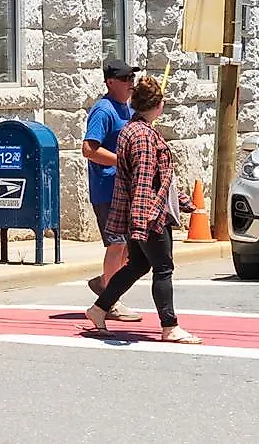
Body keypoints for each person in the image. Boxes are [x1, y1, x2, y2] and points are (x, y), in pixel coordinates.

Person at [84, 76, 202, 344]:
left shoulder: (131, 129)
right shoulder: (144, 136)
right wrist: (144, 220)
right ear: (158, 105)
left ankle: (99, 308)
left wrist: (181, 200)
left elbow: (157, 178)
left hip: (136, 212)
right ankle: (169, 326)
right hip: (148, 215)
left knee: (138, 264)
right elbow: (143, 181)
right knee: (163, 267)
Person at [82, 61, 141, 321]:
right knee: (117, 244)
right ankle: (110, 300)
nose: (131, 82)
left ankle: (105, 282)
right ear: (110, 82)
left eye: (133, 77)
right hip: (108, 189)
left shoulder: (127, 109)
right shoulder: (103, 111)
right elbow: (89, 149)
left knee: (132, 245)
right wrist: (121, 160)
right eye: (126, 78)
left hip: (125, 189)